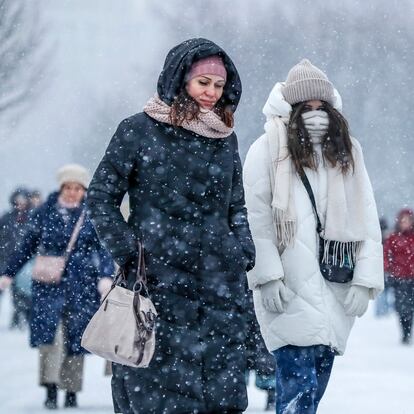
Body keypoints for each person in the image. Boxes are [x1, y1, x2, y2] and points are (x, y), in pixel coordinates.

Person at [87, 38, 255, 414]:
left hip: (218, 288)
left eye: (219, 85)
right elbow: (100, 197)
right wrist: (129, 251)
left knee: (220, 394)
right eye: (203, 83)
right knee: (155, 393)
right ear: (180, 80)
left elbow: (236, 205)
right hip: (156, 284)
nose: (212, 93)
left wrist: (242, 249)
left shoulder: (225, 139)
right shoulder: (137, 130)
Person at [243, 59, 384, 414]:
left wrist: (366, 281)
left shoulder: (347, 151)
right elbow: (255, 220)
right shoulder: (267, 149)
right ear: (290, 108)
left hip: (336, 285)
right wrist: (267, 276)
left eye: (322, 107)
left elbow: (366, 217)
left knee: (314, 387)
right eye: (306, 108)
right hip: (288, 287)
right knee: (296, 389)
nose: (316, 115)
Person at [0, 164, 114, 409]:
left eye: (77, 188)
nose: (73, 192)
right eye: (68, 187)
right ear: (61, 187)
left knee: (76, 340)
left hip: (82, 286)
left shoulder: (91, 214)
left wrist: (106, 276)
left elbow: (103, 249)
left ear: (83, 190)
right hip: (48, 285)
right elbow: (26, 246)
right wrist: (8, 273)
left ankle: (71, 391)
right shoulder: (44, 212)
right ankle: (51, 389)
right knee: (50, 339)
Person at [0, 187, 32, 328]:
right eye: (18, 200)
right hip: (4, 259)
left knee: (21, 291)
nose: (20, 203)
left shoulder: (32, 217)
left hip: (23, 260)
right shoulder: (6, 218)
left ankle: (19, 315)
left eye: (23, 199)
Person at [384, 208, 414, 344]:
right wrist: (387, 268)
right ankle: (405, 332)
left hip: (412, 277)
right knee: (401, 306)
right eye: (402, 220)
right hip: (399, 278)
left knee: (410, 306)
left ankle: (408, 330)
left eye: (407, 220)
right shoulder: (393, 237)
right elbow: (386, 254)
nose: (405, 223)